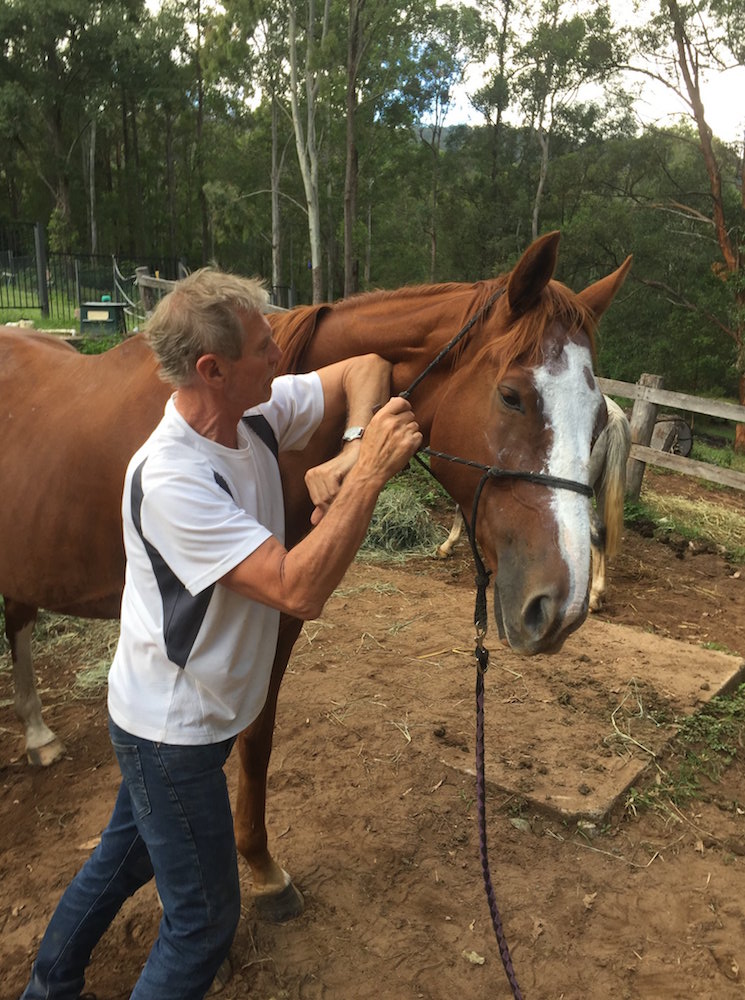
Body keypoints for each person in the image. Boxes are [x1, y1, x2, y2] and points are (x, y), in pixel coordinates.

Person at [20, 268, 422, 1000]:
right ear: (212, 369)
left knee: (125, 858)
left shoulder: (252, 413)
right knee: (202, 923)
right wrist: (370, 476)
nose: (281, 357)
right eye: (265, 347)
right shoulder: (174, 477)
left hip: (190, 719)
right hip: (171, 734)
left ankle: (50, 985)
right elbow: (297, 587)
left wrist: (354, 443)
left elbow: (364, 369)